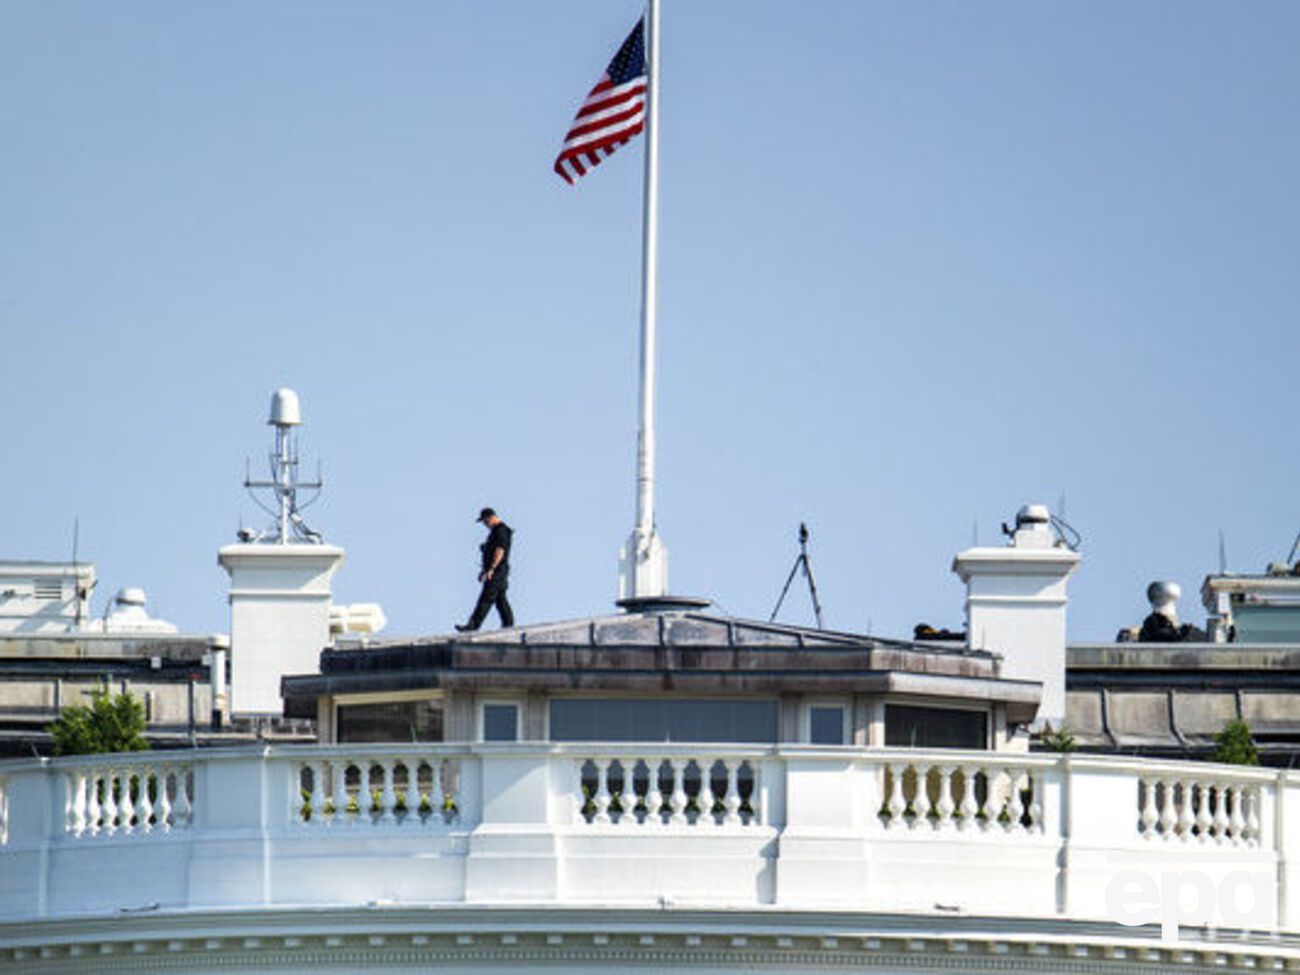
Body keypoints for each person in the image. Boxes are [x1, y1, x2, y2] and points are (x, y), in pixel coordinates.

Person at [456, 507, 514, 632]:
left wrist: (492, 569)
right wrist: (484, 570)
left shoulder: (501, 531)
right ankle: (508, 625)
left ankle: (473, 626)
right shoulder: (495, 532)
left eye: (485, 521)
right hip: (497, 571)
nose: (485, 524)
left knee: (486, 599)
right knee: (500, 599)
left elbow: (500, 551)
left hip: (498, 571)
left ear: (491, 517)